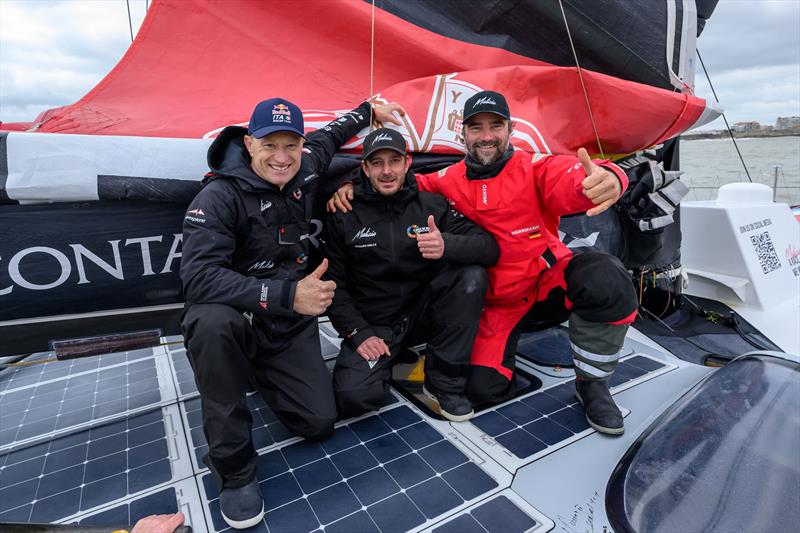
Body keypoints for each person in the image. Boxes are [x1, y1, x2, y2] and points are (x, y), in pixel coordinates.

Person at [328, 91, 638, 436]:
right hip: (493, 308)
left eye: (496, 125)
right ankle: (492, 355)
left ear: (511, 129)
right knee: (483, 390)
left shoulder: (535, 167)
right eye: (476, 128)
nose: (487, 135)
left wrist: (611, 178)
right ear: (463, 134)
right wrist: (349, 187)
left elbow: (573, 179)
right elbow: (395, 185)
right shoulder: (443, 181)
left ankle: (593, 384)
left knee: (606, 277)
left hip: (543, 288)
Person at [180, 97, 402, 529]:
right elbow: (197, 278)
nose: (282, 158)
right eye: (269, 146)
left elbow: (333, 134)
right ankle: (234, 470)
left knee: (319, 422)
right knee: (209, 321)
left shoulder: (308, 165)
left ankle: (261, 372)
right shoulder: (219, 195)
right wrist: (287, 296)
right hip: (242, 318)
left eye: (291, 145)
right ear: (249, 144)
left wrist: (370, 110)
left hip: (286, 326)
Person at [321, 128, 499, 422]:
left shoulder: (432, 205)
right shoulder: (343, 212)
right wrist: (358, 333)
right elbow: (333, 283)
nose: (387, 171)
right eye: (377, 163)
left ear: (407, 163)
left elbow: (489, 248)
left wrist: (447, 244)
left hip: (424, 317)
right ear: (364, 168)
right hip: (376, 325)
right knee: (355, 398)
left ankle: (444, 384)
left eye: (394, 161)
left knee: (471, 274)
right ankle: (390, 356)